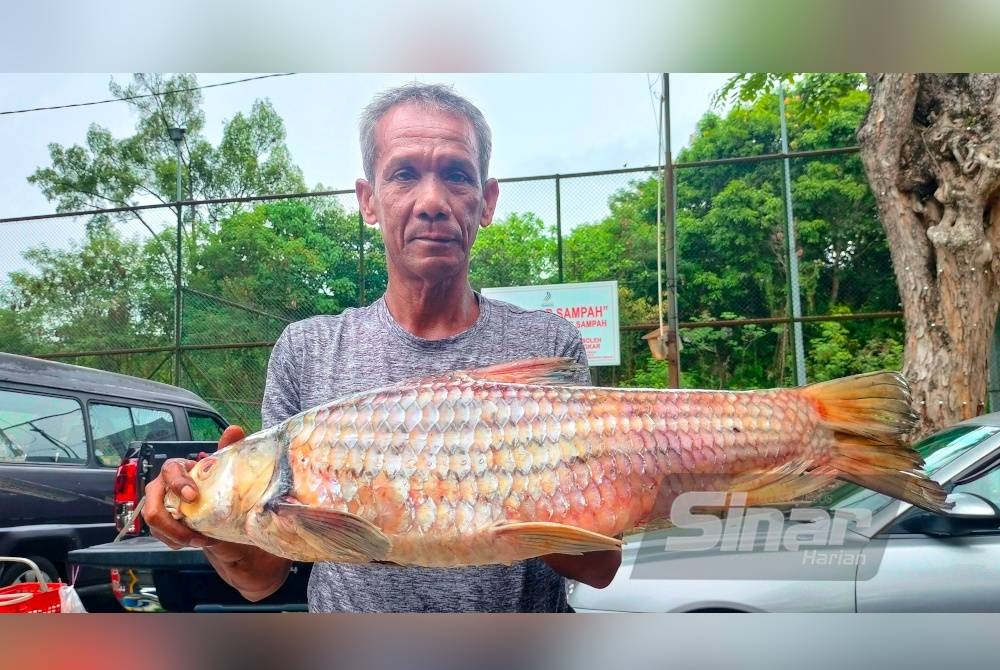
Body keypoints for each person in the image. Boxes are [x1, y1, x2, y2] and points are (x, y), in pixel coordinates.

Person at [142, 82, 622, 612]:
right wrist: (212, 529)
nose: (433, 202)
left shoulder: (546, 343)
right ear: (369, 201)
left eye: (457, 175)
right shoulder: (309, 351)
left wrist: (512, 488)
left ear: (486, 203)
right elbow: (262, 581)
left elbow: (598, 568)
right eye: (404, 174)